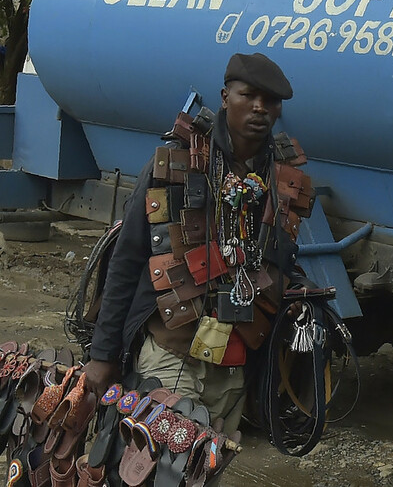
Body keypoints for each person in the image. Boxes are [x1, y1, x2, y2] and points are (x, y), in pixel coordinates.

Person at [84, 53, 308, 434]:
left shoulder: (281, 179)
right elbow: (126, 259)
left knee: (212, 461)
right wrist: (103, 354)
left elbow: (281, 260)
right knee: (162, 459)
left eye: (270, 101)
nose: (259, 108)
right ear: (225, 97)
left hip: (233, 367)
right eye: (248, 96)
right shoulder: (175, 162)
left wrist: (298, 290)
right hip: (170, 355)